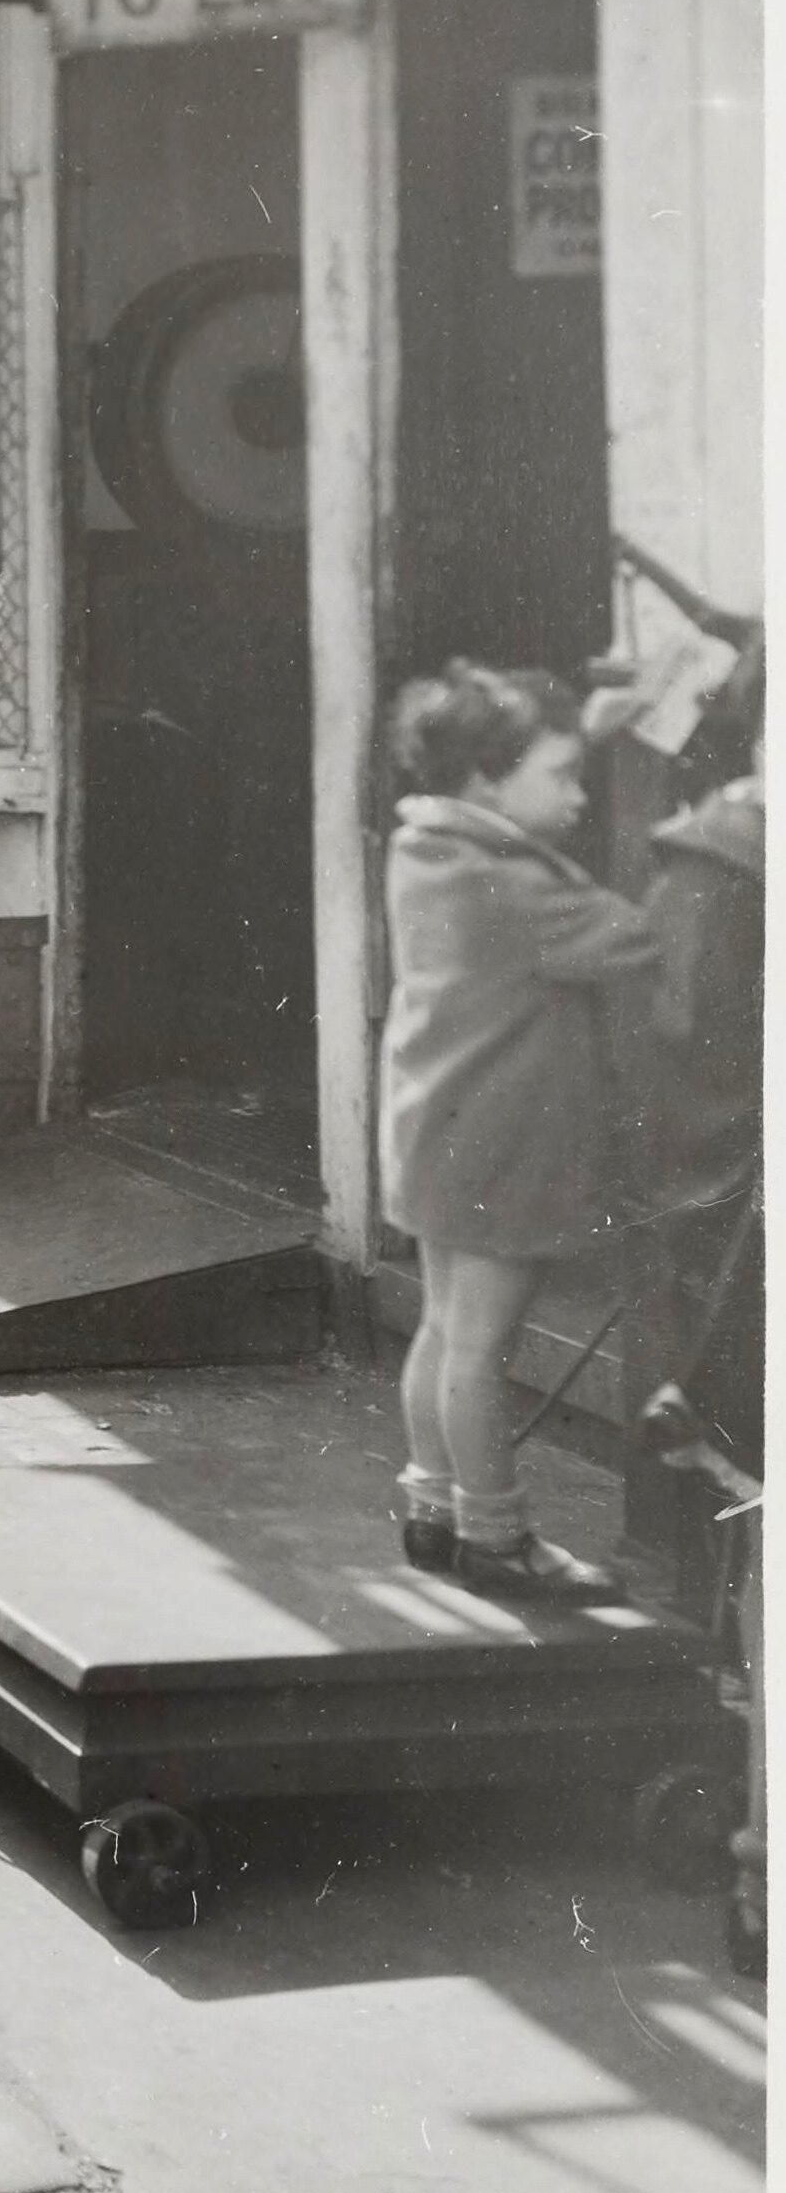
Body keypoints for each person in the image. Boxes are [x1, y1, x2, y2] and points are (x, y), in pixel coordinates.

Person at [377, 659, 662, 1594]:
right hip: (501, 1153)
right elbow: (640, 934)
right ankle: (496, 1538)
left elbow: (516, 800)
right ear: (487, 780)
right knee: (481, 1350)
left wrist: (585, 735)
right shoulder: (516, 888)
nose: (578, 795)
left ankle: (430, 1509)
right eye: (564, 775)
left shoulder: (427, 847)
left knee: (440, 1329)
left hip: (436, 1140)